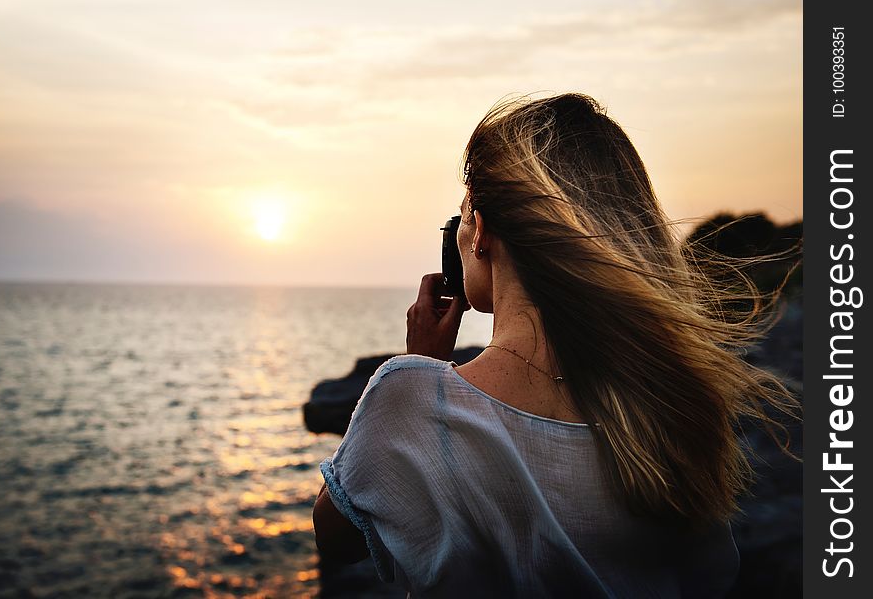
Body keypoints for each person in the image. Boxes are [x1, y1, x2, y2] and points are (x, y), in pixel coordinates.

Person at [312, 93, 798, 597]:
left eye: (463, 214)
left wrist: (420, 364)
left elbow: (335, 536)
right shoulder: (673, 404)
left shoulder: (409, 396)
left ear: (481, 233)